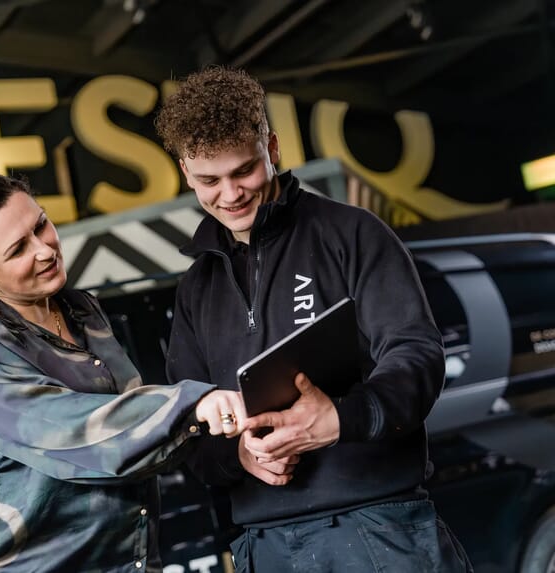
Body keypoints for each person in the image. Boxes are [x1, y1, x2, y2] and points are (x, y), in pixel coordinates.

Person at [155, 67, 472, 572]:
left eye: (244, 171)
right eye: (210, 181)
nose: (231, 194)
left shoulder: (352, 233)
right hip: (266, 547)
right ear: (186, 173)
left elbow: (417, 355)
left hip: (380, 530)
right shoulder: (196, 289)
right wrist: (239, 457)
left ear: (272, 148)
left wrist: (340, 419)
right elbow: (187, 424)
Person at [0, 171, 247, 573]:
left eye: (41, 225)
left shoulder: (83, 312)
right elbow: (64, 429)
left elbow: (136, 435)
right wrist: (192, 404)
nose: (44, 250)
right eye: (18, 249)